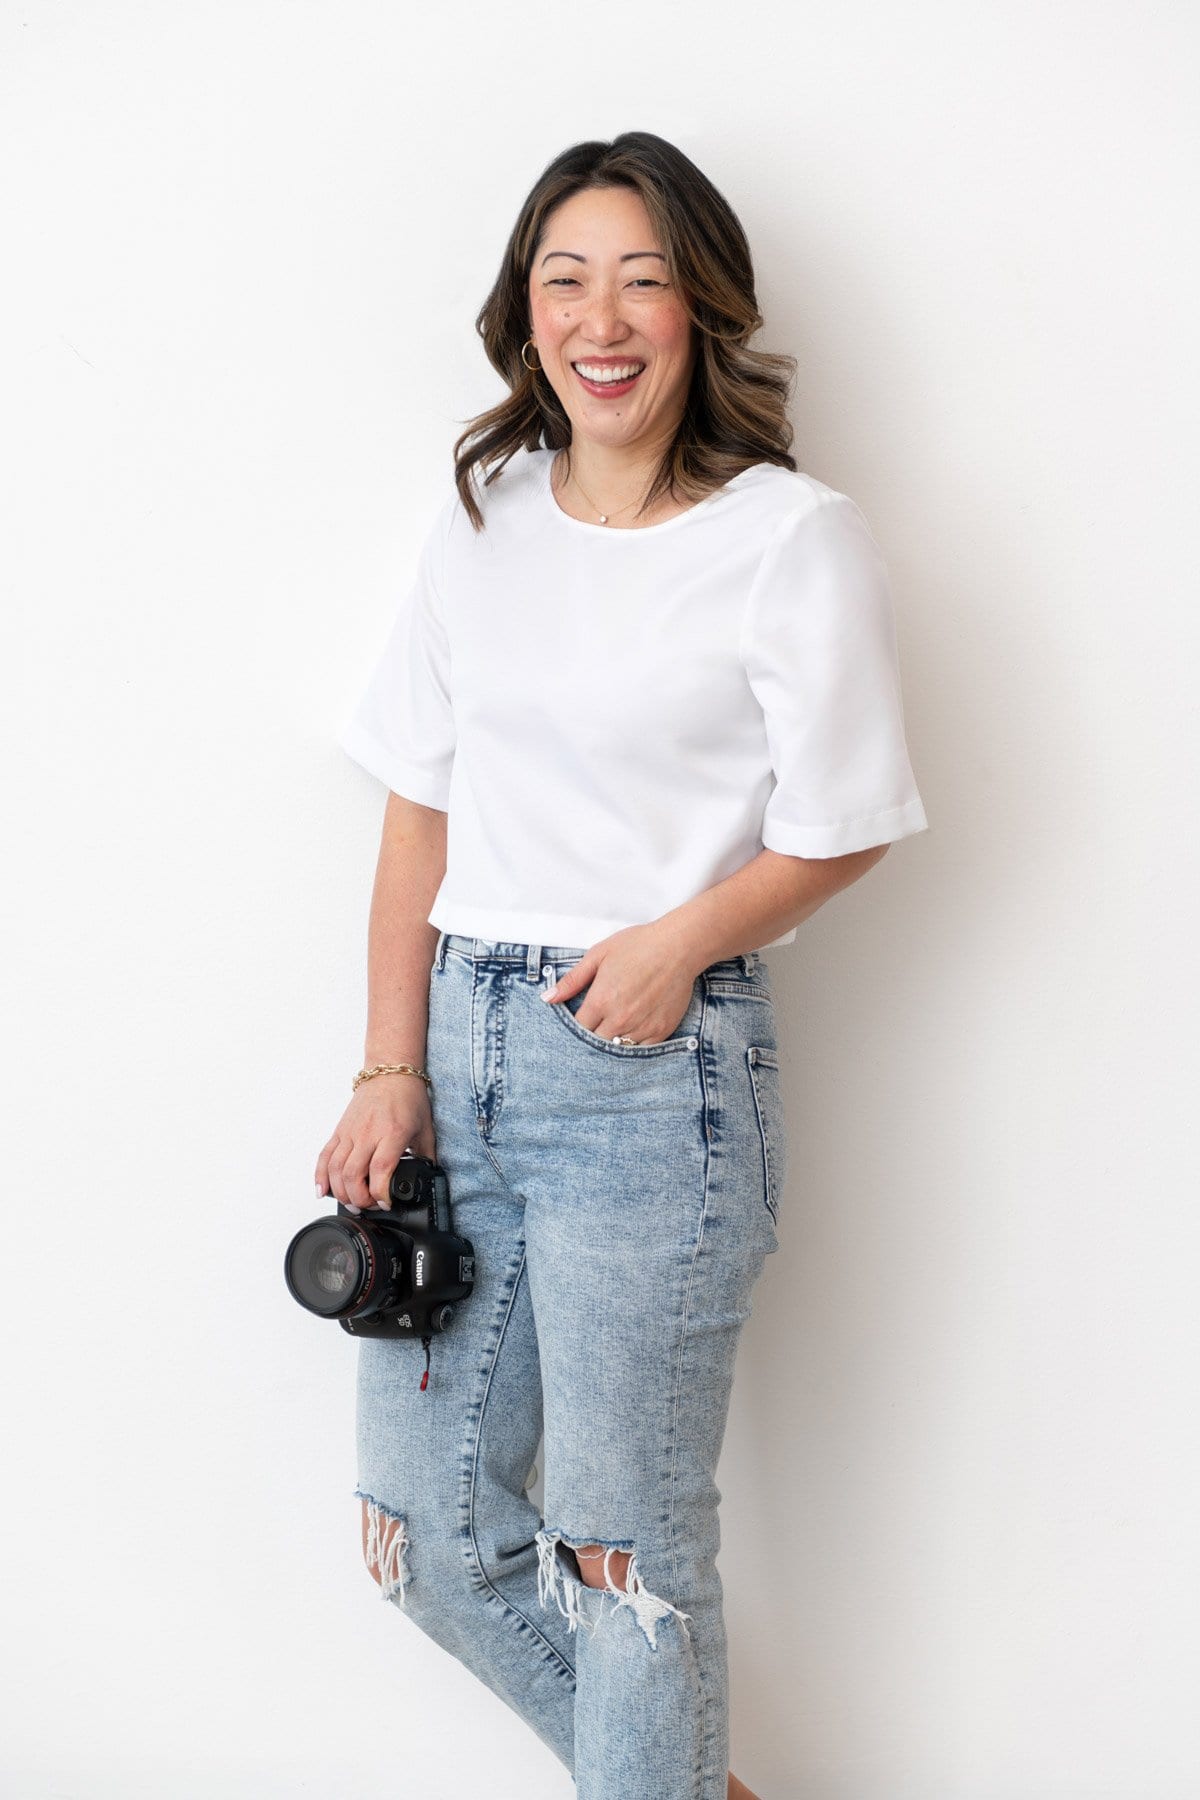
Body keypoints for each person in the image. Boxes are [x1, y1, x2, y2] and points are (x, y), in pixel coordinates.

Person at [314, 131, 928, 1800]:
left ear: (702, 311)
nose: (603, 317)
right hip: (459, 1057)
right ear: (525, 313)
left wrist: (679, 941)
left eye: (643, 278)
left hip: (654, 1082)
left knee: (623, 1560)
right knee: (430, 1535)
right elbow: (416, 817)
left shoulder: (790, 539)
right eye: (564, 277)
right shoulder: (483, 517)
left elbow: (853, 817)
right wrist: (389, 1067)